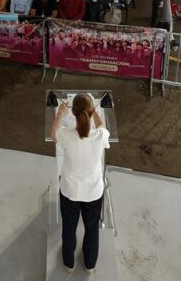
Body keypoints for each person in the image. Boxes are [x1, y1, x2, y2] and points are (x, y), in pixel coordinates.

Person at [51, 94, 110, 274]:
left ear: (73, 113)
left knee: (69, 227)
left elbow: (53, 134)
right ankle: (90, 264)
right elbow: (102, 126)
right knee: (92, 229)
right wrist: (96, 113)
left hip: (70, 191)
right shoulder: (100, 135)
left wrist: (59, 114)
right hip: (93, 192)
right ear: (91, 112)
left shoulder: (66, 135)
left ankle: (69, 264)